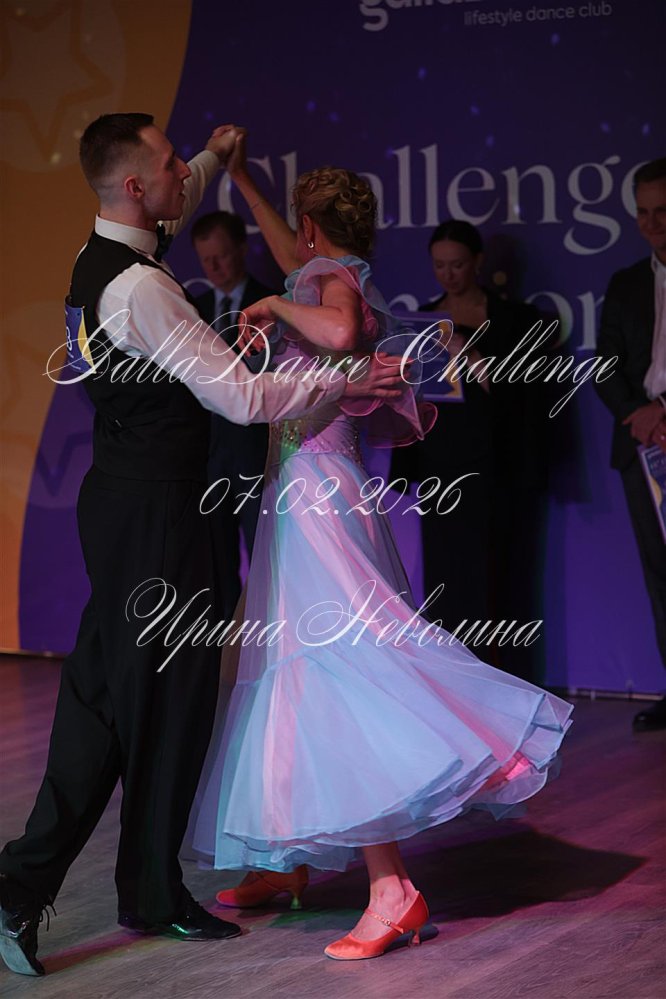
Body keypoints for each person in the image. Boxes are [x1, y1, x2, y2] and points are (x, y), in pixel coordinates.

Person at [0, 114, 405, 978]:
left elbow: (179, 203)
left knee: (116, 696)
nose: (185, 170)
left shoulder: (102, 256)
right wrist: (341, 379)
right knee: (149, 704)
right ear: (136, 186)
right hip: (160, 516)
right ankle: (26, 887)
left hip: (131, 503)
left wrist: (222, 159)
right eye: (172, 161)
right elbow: (244, 399)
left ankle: (140, 889)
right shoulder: (142, 289)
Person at [190, 131, 573, 962]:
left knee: (340, 667)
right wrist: (244, 177)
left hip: (318, 494)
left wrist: (273, 307)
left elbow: (333, 330)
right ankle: (284, 851)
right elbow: (303, 273)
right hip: (306, 487)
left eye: (296, 232)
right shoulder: (335, 266)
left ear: (313, 230)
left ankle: (392, 888)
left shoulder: (326, 284)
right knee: (286, 666)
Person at [391, 220, 547, 680]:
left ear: (477, 262)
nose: (448, 274)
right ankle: (458, 686)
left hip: (498, 470)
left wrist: (476, 361)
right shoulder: (423, 322)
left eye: (457, 264)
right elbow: (411, 400)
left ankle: (511, 687)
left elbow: (529, 401)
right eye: (439, 265)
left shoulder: (515, 320)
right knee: (446, 582)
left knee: (503, 581)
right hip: (442, 469)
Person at [595, 157, 666, 732]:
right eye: (643, 212)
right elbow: (606, 366)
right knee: (659, 573)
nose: (652, 224)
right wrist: (639, 416)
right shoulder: (625, 283)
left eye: (663, 211)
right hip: (642, 448)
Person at [192, 210, 277, 619]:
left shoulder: (273, 304)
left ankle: (264, 645)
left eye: (221, 255)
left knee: (265, 560)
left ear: (242, 249)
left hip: (255, 456)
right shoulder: (192, 310)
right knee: (214, 564)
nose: (213, 266)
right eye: (205, 258)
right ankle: (223, 648)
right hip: (207, 458)